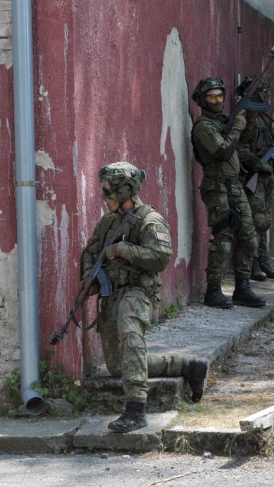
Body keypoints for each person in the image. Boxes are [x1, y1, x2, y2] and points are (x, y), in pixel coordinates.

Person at [81, 161, 208, 433]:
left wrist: (125, 250)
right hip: (111, 292)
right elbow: (91, 251)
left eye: (110, 190)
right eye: (104, 190)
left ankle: (136, 410)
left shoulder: (150, 220)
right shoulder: (108, 221)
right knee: (118, 365)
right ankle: (188, 367)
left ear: (128, 189)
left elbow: (160, 257)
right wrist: (88, 278)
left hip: (138, 291)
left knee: (130, 335)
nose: (105, 196)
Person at [190, 77, 266, 309]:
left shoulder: (224, 121)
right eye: (211, 97)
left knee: (250, 238)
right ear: (202, 100)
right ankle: (213, 290)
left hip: (234, 184)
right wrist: (236, 127)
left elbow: (243, 141)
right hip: (217, 186)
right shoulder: (204, 126)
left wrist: (248, 115)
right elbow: (222, 150)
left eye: (220, 96)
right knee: (223, 238)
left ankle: (242, 288)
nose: (217, 100)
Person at [236, 76, 274, 281]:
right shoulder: (243, 116)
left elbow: (267, 146)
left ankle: (263, 260)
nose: (266, 95)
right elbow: (239, 149)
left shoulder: (264, 118)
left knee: (264, 220)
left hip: (266, 175)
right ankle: (253, 264)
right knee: (256, 220)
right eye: (262, 91)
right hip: (252, 175)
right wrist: (258, 164)